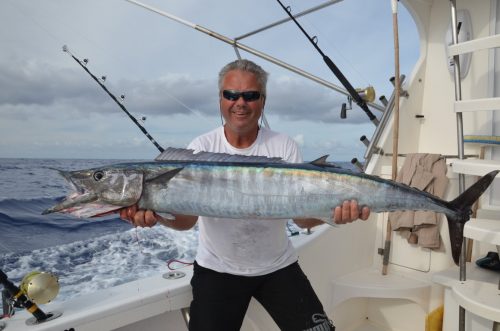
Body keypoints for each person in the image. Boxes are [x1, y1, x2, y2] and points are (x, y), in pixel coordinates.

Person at [120, 59, 370, 331]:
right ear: (220, 99)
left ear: (262, 101)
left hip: (278, 267)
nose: (240, 102)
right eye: (231, 94)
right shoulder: (201, 147)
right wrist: (158, 216)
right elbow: (186, 221)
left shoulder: (282, 145)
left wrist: (331, 215)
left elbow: (301, 219)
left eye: (250, 96)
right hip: (217, 271)